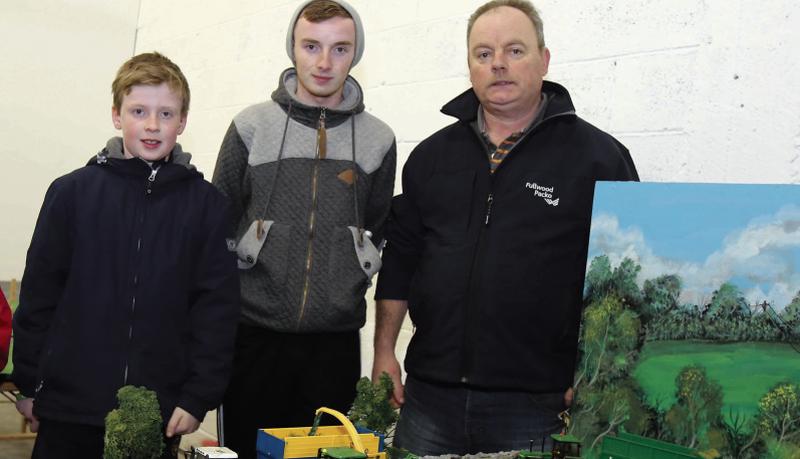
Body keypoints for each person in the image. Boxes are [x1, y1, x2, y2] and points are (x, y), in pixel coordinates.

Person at [372, 0, 639, 455]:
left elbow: (622, 286)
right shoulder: (431, 158)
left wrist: (601, 373)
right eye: (483, 53)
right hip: (429, 399)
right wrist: (383, 353)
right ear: (470, 65)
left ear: (544, 60)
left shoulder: (598, 159)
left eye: (515, 50)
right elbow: (401, 260)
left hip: (537, 404)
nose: (498, 64)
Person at [12, 52, 240, 458]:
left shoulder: (208, 207)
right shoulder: (71, 194)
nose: (153, 125)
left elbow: (216, 311)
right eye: (139, 111)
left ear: (183, 121)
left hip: (155, 412)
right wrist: (29, 385)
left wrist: (197, 396)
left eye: (166, 114)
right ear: (117, 115)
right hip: (68, 406)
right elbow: (39, 298)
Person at [211, 0, 396, 457]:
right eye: (311, 46)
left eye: (340, 48)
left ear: (356, 54)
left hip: (333, 345)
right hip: (253, 336)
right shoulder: (250, 126)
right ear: (292, 47)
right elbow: (217, 226)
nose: (324, 61)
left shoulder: (379, 140)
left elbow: (374, 227)